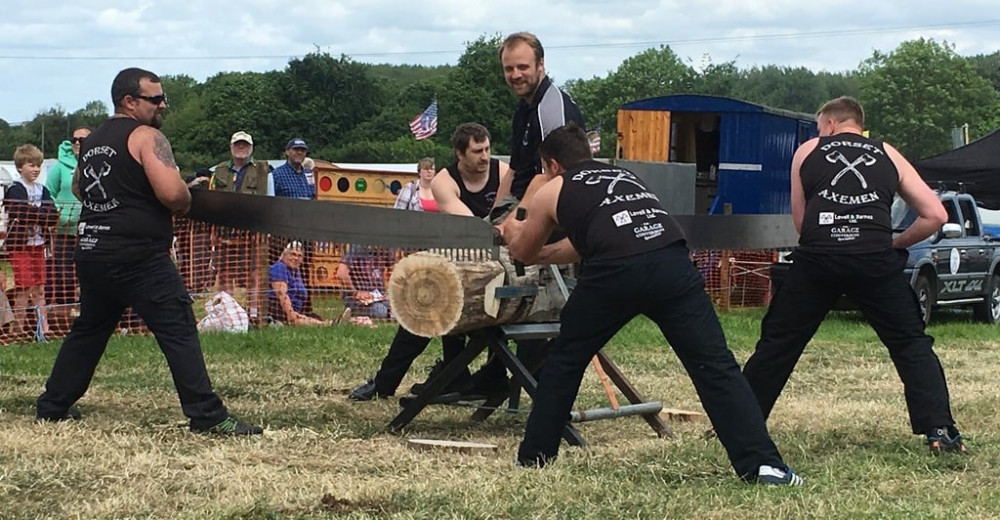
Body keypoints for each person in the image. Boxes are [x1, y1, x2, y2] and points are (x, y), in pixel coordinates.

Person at [498, 124, 802, 484]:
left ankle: (534, 458)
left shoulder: (552, 190)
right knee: (715, 366)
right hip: (670, 262)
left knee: (566, 360)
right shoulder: (625, 176)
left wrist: (516, 221)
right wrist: (550, 253)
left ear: (552, 165)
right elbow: (590, 239)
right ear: (588, 154)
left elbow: (522, 252)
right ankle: (764, 465)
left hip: (614, 271)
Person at [35, 67, 262, 435]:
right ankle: (206, 414)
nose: (163, 105)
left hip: (93, 248)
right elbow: (173, 194)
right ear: (129, 101)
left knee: (90, 328)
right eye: (155, 99)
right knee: (178, 327)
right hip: (138, 255)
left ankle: (52, 405)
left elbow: (81, 189)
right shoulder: (146, 136)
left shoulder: (91, 142)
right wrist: (186, 198)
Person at [741, 96, 966, 454]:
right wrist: (895, 244)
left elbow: (802, 223)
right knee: (910, 343)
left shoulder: (807, 150)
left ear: (829, 124)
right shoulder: (889, 153)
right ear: (858, 125)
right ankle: (940, 431)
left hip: (818, 259)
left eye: (819, 127)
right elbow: (936, 215)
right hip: (874, 258)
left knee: (778, 344)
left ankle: (740, 425)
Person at [348, 123, 512, 402]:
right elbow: (474, 227)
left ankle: (474, 375)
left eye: (487, 149)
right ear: (460, 154)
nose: (485, 156)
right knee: (424, 307)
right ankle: (388, 381)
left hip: (503, 263)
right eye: (477, 151)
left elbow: (512, 214)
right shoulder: (444, 181)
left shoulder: (503, 172)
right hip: (461, 260)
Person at [498, 31, 585, 203]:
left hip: (542, 208)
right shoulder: (524, 107)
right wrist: (492, 218)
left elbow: (557, 181)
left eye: (523, 67)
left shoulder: (550, 108)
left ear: (540, 64)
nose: (515, 75)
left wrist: (514, 221)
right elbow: (513, 171)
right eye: (509, 69)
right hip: (517, 201)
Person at [5, 144, 59, 338]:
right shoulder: (15, 189)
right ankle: (19, 330)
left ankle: (44, 329)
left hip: (39, 245)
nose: (35, 169)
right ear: (20, 167)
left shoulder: (42, 189)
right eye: (31, 165)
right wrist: (40, 214)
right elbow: (19, 212)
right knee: (23, 288)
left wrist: (36, 213)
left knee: (40, 289)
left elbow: (53, 214)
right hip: (20, 247)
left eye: (38, 165)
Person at [46, 126, 91, 328]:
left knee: (88, 270)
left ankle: (87, 307)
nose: (77, 143)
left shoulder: (96, 163)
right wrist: (60, 214)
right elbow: (48, 193)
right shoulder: (59, 167)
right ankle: (65, 310)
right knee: (64, 271)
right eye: (74, 139)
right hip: (64, 230)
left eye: (82, 140)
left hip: (90, 229)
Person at [269, 241, 327, 326]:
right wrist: (291, 314)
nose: (296, 258)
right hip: (281, 311)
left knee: (316, 318)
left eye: (299, 256)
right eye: (293, 254)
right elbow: (282, 294)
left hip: (297, 311)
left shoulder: (296, 271)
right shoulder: (279, 268)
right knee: (317, 323)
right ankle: (330, 324)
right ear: (285, 255)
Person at [336, 245, 392, 322]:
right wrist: (356, 293)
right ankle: (352, 316)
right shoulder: (357, 250)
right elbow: (341, 273)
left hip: (379, 297)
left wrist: (390, 290)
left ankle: (391, 314)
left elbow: (395, 269)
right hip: (358, 301)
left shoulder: (386, 249)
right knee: (380, 311)